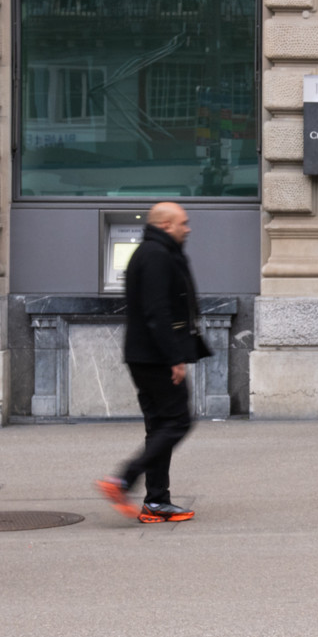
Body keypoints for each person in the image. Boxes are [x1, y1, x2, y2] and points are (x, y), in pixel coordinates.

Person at [97, 201, 211, 523]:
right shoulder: (157, 256)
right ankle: (123, 480)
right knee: (178, 422)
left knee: (160, 425)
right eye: (182, 223)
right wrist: (174, 358)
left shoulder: (151, 252)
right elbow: (157, 312)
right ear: (165, 225)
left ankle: (156, 502)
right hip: (156, 356)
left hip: (144, 355)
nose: (187, 229)